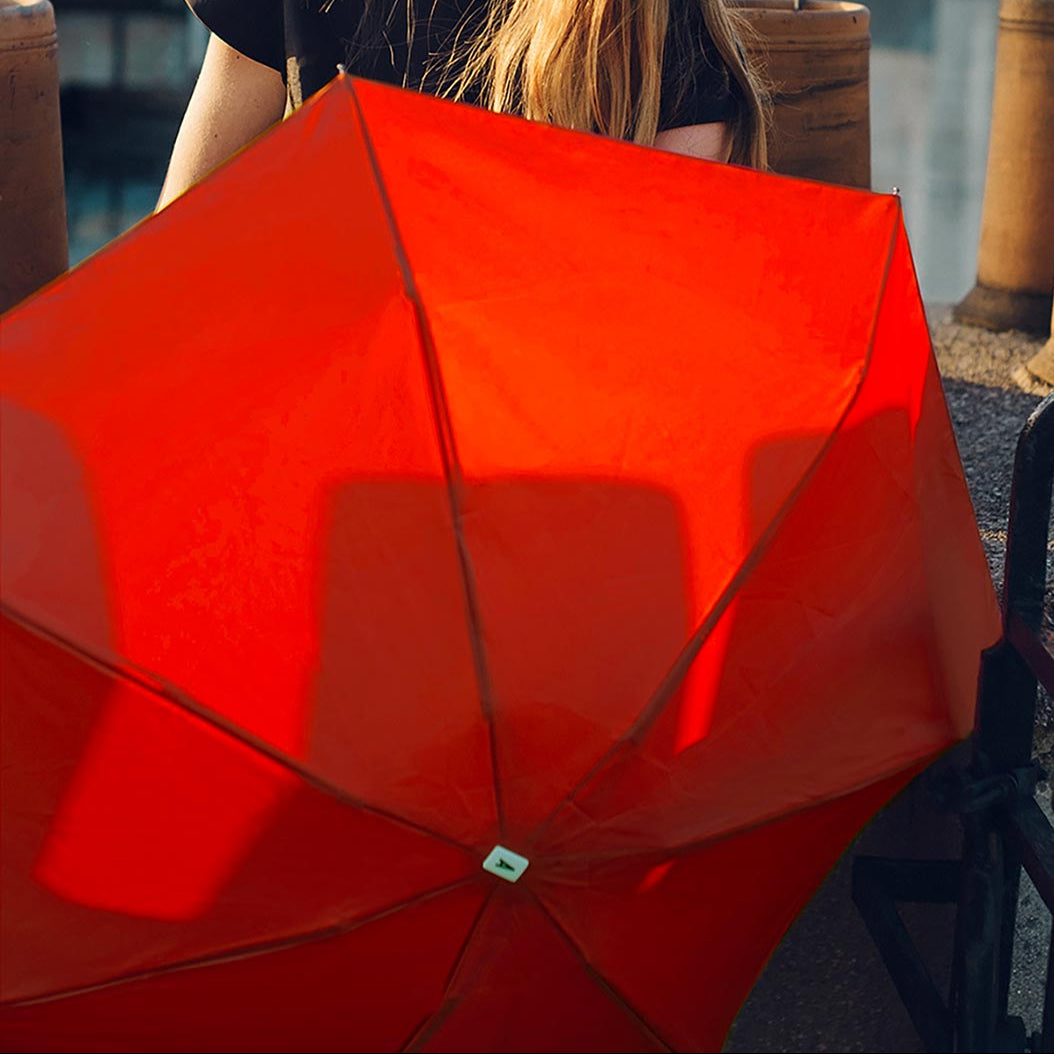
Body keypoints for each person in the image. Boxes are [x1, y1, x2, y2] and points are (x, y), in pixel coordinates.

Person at [158, 0, 769, 210]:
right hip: (332, 410)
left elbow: (664, 316)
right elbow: (172, 261)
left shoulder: (650, 25)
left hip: (542, 443)